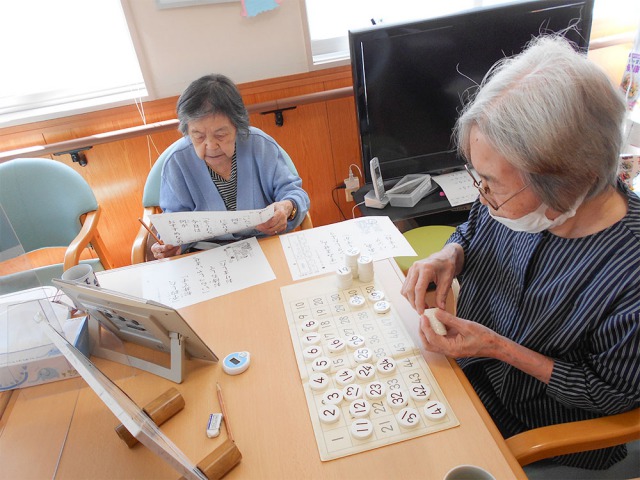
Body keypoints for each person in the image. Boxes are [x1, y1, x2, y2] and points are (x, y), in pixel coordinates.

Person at [401, 36, 640, 470]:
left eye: (493, 185)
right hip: (468, 382)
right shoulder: (519, 204)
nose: (483, 196)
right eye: (480, 179)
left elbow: (611, 395)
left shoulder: (630, 274)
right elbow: (475, 228)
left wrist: (498, 348)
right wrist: (451, 253)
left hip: (541, 432)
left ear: (569, 181)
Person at [151, 74, 310, 259]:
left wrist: (287, 207)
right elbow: (174, 223)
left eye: (220, 135)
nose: (210, 145)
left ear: (237, 126)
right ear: (187, 130)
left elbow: (295, 193)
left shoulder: (260, 145)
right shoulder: (177, 162)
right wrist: (171, 245)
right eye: (199, 136)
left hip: (264, 246)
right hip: (207, 256)